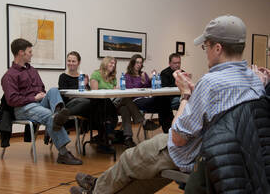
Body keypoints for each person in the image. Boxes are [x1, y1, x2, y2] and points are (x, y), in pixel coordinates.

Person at [69, 15, 265, 194]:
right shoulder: (255, 79)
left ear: (218, 48)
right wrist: (197, 91)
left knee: (130, 159)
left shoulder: (211, 82)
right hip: (228, 155)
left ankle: (96, 190)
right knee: (146, 172)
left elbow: (178, 137)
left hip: (193, 151)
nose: (205, 53)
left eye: (205, 47)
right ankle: (101, 186)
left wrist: (186, 95)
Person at [1, 38, 82, 165]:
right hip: (23, 108)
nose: (31, 54)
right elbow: (12, 100)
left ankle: (58, 113)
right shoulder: (9, 76)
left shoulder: (32, 70)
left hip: (38, 104)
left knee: (54, 90)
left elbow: (42, 88)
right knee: (49, 116)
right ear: (21, 53)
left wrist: (42, 95)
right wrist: (33, 98)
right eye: (29, 52)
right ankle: (63, 153)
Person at [90, 56, 144, 148]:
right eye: (111, 63)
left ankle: (128, 138)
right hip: (102, 104)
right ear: (105, 63)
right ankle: (143, 121)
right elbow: (95, 93)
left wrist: (117, 89)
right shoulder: (96, 74)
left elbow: (114, 92)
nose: (113, 65)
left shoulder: (112, 77)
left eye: (114, 64)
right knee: (126, 99)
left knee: (125, 109)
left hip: (114, 104)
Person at [125, 54, 173, 133]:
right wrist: (142, 82)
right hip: (137, 100)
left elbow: (149, 87)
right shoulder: (128, 76)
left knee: (165, 100)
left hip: (148, 98)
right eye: (137, 62)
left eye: (140, 63)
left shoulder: (144, 74)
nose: (139, 65)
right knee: (164, 104)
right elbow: (131, 89)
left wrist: (152, 79)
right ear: (132, 63)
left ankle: (168, 129)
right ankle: (169, 128)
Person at [58, 51, 91, 128]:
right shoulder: (63, 76)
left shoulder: (82, 77)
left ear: (78, 63)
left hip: (83, 104)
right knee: (88, 102)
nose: (71, 63)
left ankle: (103, 134)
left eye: (73, 61)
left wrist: (86, 85)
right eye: (69, 61)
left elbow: (88, 93)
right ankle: (61, 116)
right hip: (69, 104)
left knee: (96, 103)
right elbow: (64, 95)